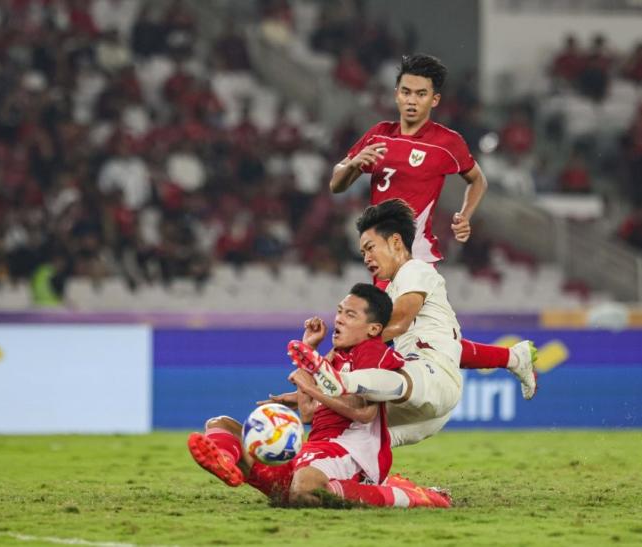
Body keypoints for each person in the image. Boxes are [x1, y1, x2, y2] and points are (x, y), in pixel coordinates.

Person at [327, 53, 536, 399]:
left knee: (386, 329)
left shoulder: (446, 143)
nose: (412, 100)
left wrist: (465, 215)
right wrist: (353, 165)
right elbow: (336, 183)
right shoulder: (379, 135)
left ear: (434, 99)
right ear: (396, 94)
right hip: (382, 255)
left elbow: (477, 179)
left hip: (414, 258)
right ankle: (515, 358)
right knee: (432, 341)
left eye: (421, 94)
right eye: (406, 92)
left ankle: (340, 381)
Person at [187, 283, 451, 508]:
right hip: (314, 452)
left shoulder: (372, 352)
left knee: (304, 490)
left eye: (350, 315)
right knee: (220, 424)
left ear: (372, 329)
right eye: (339, 311)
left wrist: (312, 387)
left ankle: (406, 496)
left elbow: (365, 413)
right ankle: (226, 463)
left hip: (350, 453)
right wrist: (309, 351)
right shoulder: (334, 358)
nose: (339, 319)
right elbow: (307, 414)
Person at [287, 199, 467, 448]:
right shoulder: (392, 290)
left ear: (395, 242)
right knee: (343, 433)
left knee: (352, 389)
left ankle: (343, 382)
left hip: (433, 377)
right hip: (418, 400)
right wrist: (307, 390)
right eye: (363, 253)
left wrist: (332, 362)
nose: (366, 258)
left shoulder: (415, 270)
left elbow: (399, 322)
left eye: (370, 248)